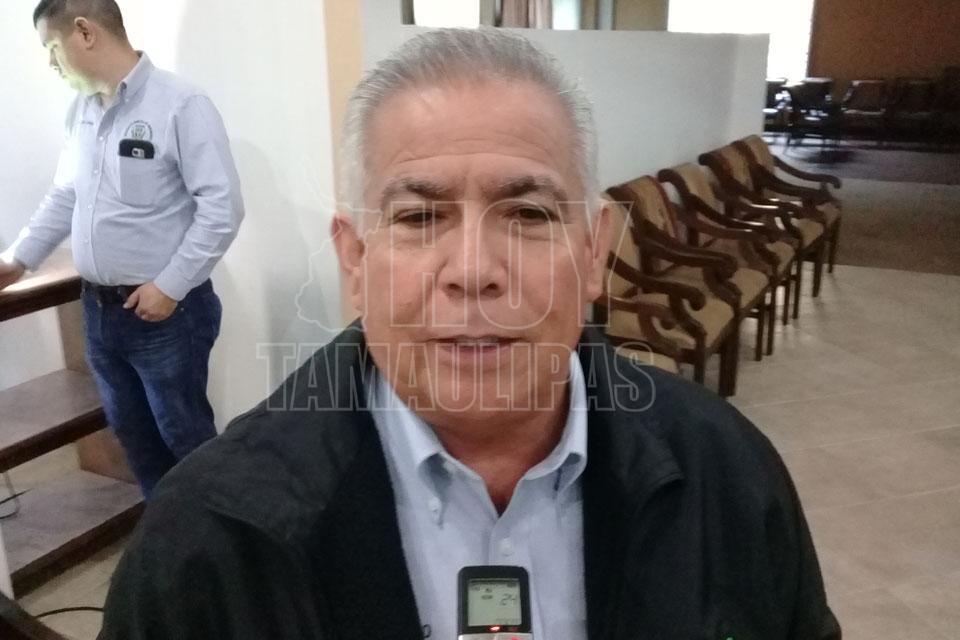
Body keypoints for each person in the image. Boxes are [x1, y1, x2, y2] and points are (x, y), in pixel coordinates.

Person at [97, 28, 839, 640]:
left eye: (529, 214)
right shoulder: (205, 540)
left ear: (594, 254)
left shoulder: (727, 472)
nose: (475, 271)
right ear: (354, 262)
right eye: (420, 218)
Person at [0, 0, 244, 498]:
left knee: (187, 442)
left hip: (165, 316)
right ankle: (166, 538)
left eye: (52, 47)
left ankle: (219, 542)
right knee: (136, 441)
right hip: (99, 312)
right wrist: (17, 260)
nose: (50, 63)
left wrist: (169, 287)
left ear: (85, 31)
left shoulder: (181, 104)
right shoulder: (81, 111)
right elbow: (65, 196)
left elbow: (222, 209)